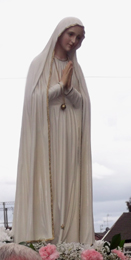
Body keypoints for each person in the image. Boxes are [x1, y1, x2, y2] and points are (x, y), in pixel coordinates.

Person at [13, 17, 94, 245]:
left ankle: (69, 242)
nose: (74, 41)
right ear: (59, 33)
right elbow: (33, 102)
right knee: (49, 186)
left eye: (79, 38)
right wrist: (60, 87)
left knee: (68, 184)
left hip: (69, 136)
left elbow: (83, 104)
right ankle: (47, 243)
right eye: (71, 35)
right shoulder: (39, 64)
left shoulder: (75, 70)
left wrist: (69, 88)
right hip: (46, 139)